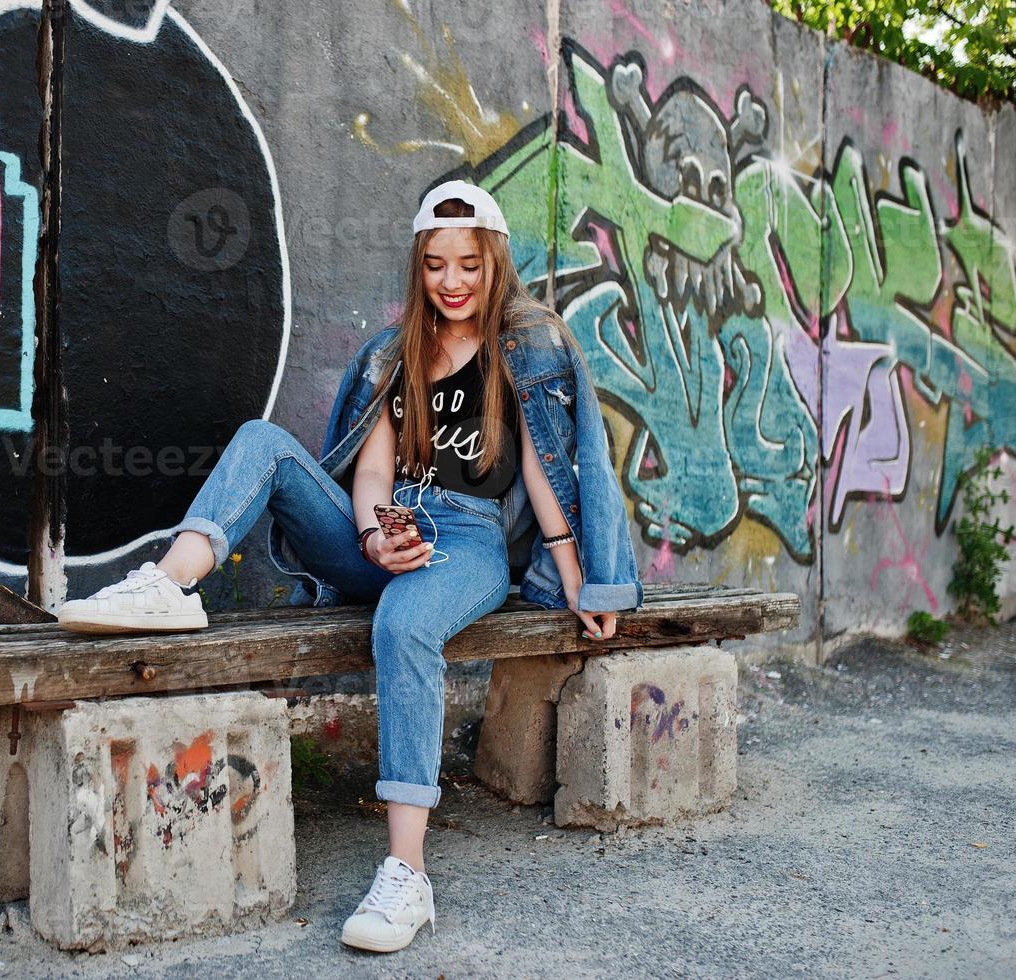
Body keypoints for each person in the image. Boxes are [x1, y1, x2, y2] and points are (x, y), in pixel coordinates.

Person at [56, 179, 643, 953]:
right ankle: (171, 582)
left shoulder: (527, 347)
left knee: (402, 626)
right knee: (263, 441)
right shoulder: (393, 355)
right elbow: (369, 472)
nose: (452, 281)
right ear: (418, 266)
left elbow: (548, 472)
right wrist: (371, 539)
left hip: (466, 547)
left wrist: (579, 581)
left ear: (494, 260)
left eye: (468, 263)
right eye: (435, 264)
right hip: (387, 529)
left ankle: (406, 876)